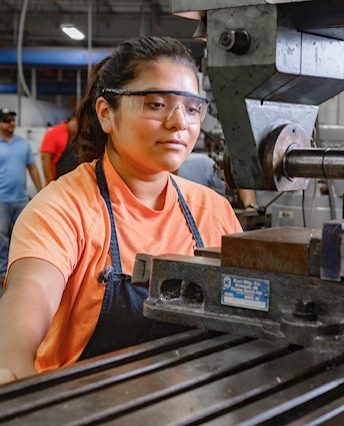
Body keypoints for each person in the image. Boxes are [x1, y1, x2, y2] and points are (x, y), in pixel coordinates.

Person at [0, 36, 242, 384]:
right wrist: (11, 359)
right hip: (80, 405)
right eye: (157, 104)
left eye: (192, 109)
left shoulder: (213, 211)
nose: (179, 123)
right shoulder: (64, 209)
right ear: (106, 114)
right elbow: (31, 291)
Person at [0, 108, 42, 285]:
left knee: (24, 235)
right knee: (1, 238)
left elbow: (32, 168)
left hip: (21, 199)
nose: (11, 123)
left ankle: (22, 270)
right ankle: (3, 271)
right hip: (1, 200)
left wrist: (41, 192)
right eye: (6, 120)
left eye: (12, 120)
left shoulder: (22, 144)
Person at [40, 116, 79, 184]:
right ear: (73, 120)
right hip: (57, 183)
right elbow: (45, 159)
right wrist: (51, 184)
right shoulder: (54, 133)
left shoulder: (80, 136)